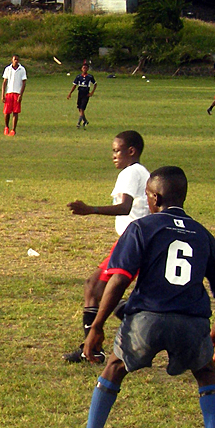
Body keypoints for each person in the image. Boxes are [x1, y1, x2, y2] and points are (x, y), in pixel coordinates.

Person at [71, 166, 215, 428]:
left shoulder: (141, 228)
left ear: (156, 197)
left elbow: (119, 280)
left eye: (147, 195)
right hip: (191, 323)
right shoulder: (202, 234)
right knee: (206, 374)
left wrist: (96, 326)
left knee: (114, 368)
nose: (145, 200)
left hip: (146, 320)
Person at [64, 130, 150, 363]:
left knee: (96, 289)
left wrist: (91, 209)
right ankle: (94, 348)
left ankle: (144, 330)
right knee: (98, 290)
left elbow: (125, 207)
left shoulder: (131, 172)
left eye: (116, 151)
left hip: (133, 243)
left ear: (131, 151)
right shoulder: (139, 172)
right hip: (133, 242)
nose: (113, 156)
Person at [1, 54, 27, 136]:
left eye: (17, 59)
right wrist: (2, 94)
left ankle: (13, 130)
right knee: (6, 112)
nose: (16, 61)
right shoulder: (8, 69)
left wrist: (20, 95)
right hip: (9, 93)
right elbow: (4, 82)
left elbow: (24, 83)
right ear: (12, 60)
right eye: (14, 59)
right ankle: (6, 127)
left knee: (15, 112)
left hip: (17, 93)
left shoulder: (22, 69)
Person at [66, 62, 97, 128]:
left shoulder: (90, 77)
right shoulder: (78, 77)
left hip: (86, 93)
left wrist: (92, 92)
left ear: (88, 69)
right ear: (81, 69)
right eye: (83, 68)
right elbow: (74, 85)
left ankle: (79, 123)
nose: (84, 69)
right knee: (80, 108)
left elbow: (95, 84)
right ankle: (85, 120)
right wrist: (70, 93)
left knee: (82, 108)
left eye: (86, 68)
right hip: (80, 93)